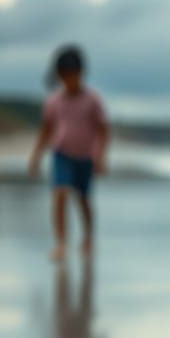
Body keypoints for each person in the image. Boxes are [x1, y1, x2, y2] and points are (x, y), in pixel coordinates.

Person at [28, 45, 109, 261]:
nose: (68, 80)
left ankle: (88, 237)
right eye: (64, 76)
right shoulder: (54, 101)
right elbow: (46, 130)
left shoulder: (93, 100)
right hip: (61, 153)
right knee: (60, 194)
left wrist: (100, 156)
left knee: (83, 199)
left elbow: (103, 129)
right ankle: (61, 243)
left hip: (85, 156)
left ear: (81, 73)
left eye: (72, 75)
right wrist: (36, 156)